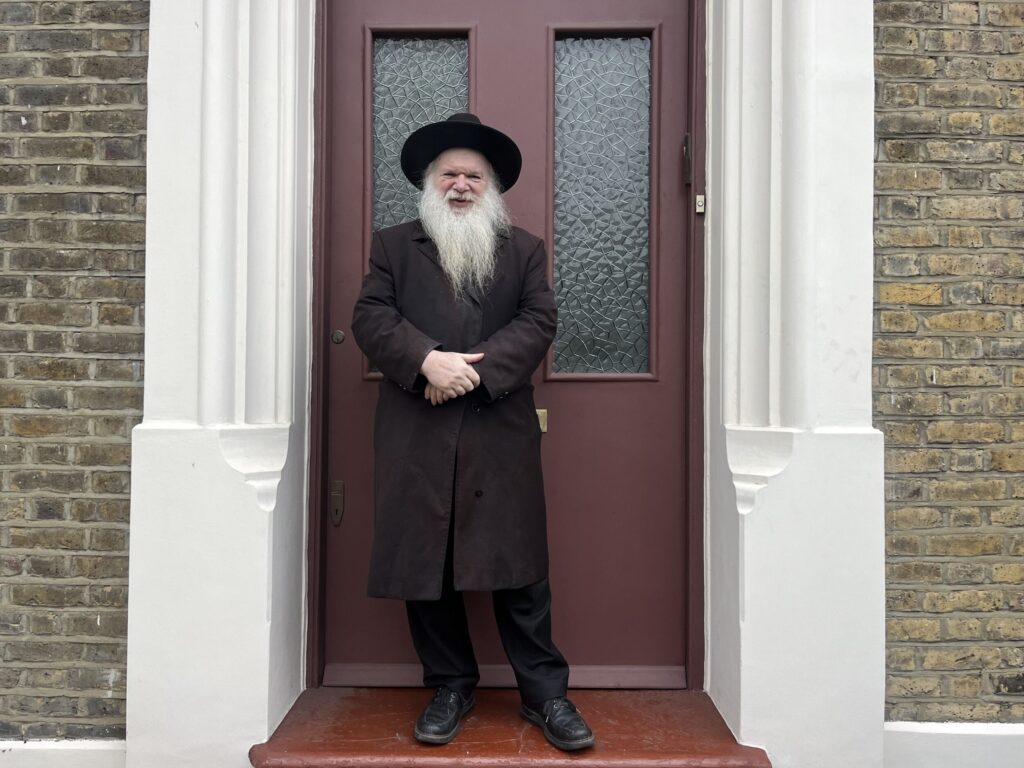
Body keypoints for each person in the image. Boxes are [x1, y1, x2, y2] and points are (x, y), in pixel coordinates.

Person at [351, 113, 594, 752]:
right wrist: (425, 359)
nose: (461, 185)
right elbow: (370, 316)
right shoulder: (393, 246)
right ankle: (451, 684)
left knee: (518, 571)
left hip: (498, 427)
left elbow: (539, 320)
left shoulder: (525, 249)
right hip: (416, 430)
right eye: (450, 175)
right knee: (425, 565)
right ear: (430, 184)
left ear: (492, 187)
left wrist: (468, 375)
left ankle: (546, 695)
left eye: (473, 176)